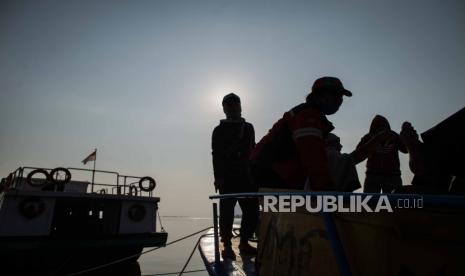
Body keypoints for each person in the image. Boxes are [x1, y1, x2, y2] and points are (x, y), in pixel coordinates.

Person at [250, 76, 352, 191]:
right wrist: (326, 188)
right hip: (271, 174)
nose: (339, 100)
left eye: (341, 96)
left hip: (275, 174)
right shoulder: (307, 116)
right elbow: (313, 156)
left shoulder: (314, 119)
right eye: (335, 94)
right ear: (319, 95)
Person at [211, 93, 259, 260]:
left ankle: (244, 242)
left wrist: (256, 174)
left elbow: (254, 150)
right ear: (224, 108)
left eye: (235, 104)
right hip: (227, 177)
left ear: (240, 106)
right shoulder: (218, 130)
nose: (232, 107)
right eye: (228, 105)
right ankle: (228, 246)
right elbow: (216, 155)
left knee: (252, 211)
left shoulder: (249, 127)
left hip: (247, 176)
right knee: (226, 213)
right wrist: (218, 177)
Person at [357, 115, 407, 193]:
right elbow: (359, 151)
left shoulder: (394, 135)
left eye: (383, 125)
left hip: (391, 175)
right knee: (370, 201)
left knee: (392, 202)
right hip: (374, 175)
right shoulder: (369, 137)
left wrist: (404, 138)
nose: (381, 128)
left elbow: (405, 149)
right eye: (378, 126)